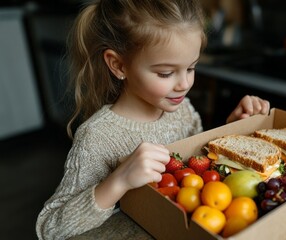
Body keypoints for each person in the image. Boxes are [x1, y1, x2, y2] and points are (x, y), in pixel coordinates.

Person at [36, 0, 270, 239]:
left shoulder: (182, 109)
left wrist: (231, 129)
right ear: (118, 65)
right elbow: (50, 228)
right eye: (165, 73)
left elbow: (197, 161)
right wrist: (119, 181)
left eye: (191, 68)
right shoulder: (97, 137)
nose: (184, 84)